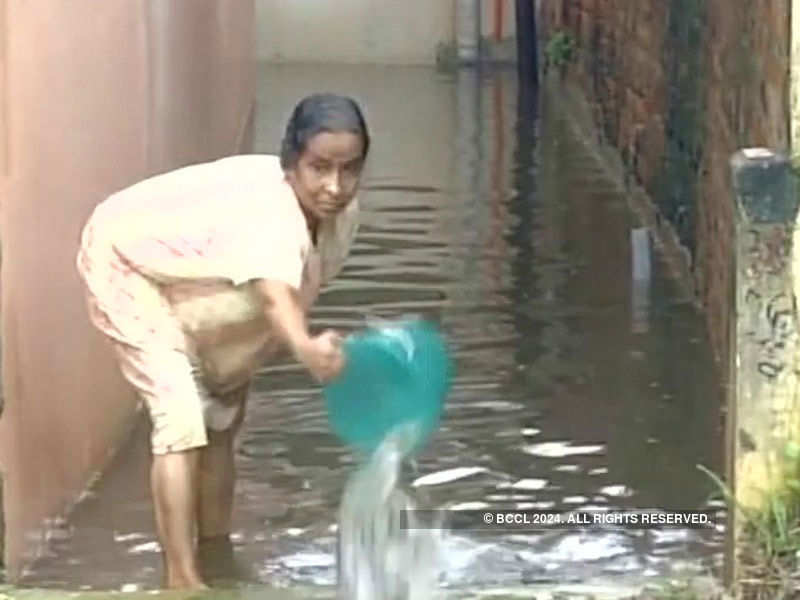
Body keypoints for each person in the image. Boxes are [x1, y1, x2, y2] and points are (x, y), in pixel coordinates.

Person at [75, 93, 369, 589]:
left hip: (190, 272)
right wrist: (305, 347)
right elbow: (277, 298)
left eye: (349, 169)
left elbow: (292, 286)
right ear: (290, 162)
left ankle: (217, 554)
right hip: (121, 260)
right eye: (319, 168)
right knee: (181, 416)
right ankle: (182, 581)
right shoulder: (271, 214)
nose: (334, 187)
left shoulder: (342, 213)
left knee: (222, 418)